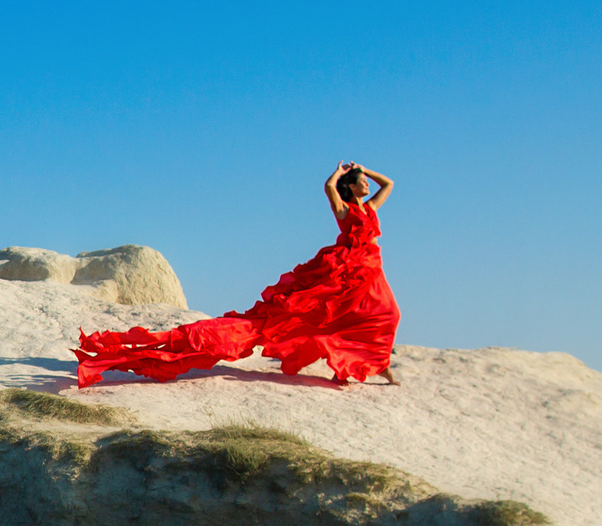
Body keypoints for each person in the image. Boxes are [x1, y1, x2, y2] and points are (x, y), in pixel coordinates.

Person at [74, 161, 401, 388]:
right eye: (362, 180)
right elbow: (328, 186)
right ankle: (358, 365)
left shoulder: (370, 208)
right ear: (350, 185)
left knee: (384, 315)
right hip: (346, 271)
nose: (368, 183)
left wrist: (364, 169)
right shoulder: (346, 209)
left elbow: (389, 183)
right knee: (337, 316)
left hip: (370, 270)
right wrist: (342, 171)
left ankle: (373, 362)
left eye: (365, 180)